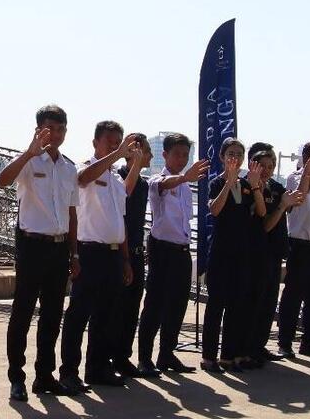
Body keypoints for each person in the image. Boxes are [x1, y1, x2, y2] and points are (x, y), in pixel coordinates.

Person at [0, 105, 79, 402]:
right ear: (38, 130)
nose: (54, 135)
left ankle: (44, 375)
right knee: (22, 312)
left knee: (52, 315)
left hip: (59, 249)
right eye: (49, 129)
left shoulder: (69, 168)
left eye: (60, 129)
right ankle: (16, 377)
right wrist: (30, 152)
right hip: (32, 245)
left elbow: (72, 214)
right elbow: (2, 180)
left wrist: (75, 254)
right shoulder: (29, 162)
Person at [59, 122, 141, 392]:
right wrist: (117, 154)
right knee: (79, 314)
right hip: (90, 251)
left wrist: (126, 259)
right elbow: (82, 179)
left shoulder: (117, 178)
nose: (117, 146)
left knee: (107, 314)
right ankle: (69, 371)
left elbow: (121, 218)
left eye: (119, 142)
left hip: (114, 253)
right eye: (110, 141)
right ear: (96, 143)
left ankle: (98, 367)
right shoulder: (85, 167)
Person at [136, 134, 207, 374]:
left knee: (177, 305)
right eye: (177, 154)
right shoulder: (159, 179)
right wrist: (184, 177)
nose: (182, 159)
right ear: (165, 155)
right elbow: (163, 185)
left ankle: (167, 354)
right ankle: (144, 357)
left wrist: (185, 179)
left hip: (182, 250)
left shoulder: (186, 185)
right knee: (155, 304)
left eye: (185, 155)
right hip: (162, 249)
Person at [200, 138, 267, 372]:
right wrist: (228, 184)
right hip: (221, 252)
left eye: (239, 154)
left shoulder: (247, 184)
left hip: (242, 252)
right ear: (222, 156)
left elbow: (261, 211)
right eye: (230, 153)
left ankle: (229, 355)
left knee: (237, 305)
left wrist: (256, 186)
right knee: (216, 304)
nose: (235, 158)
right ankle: (209, 356)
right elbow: (214, 210)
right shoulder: (217, 182)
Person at [277, 142, 310, 358]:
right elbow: (300, 197)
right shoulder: (295, 178)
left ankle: (309, 342)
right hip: (300, 246)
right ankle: (285, 342)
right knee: (293, 296)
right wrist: (307, 171)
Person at [250, 144, 298, 363]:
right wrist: (281, 207)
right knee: (255, 302)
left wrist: (307, 171)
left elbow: (296, 200)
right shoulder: (249, 188)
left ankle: (260, 345)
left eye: (271, 166)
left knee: (270, 302)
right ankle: (250, 347)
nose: (267, 170)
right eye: (263, 166)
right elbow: (265, 225)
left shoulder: (277, 188)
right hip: (257, 252)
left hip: (275, 253)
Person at [113, 139, 152, 378]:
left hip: (138, 250)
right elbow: (122, 213)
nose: (148, 156)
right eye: (146, 151)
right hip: (121, 252)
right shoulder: (119, 177)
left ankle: (123, 357)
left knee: (131, 309)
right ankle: (109, 357)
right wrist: (125, 257)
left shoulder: (145, 184)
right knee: (116, 309)